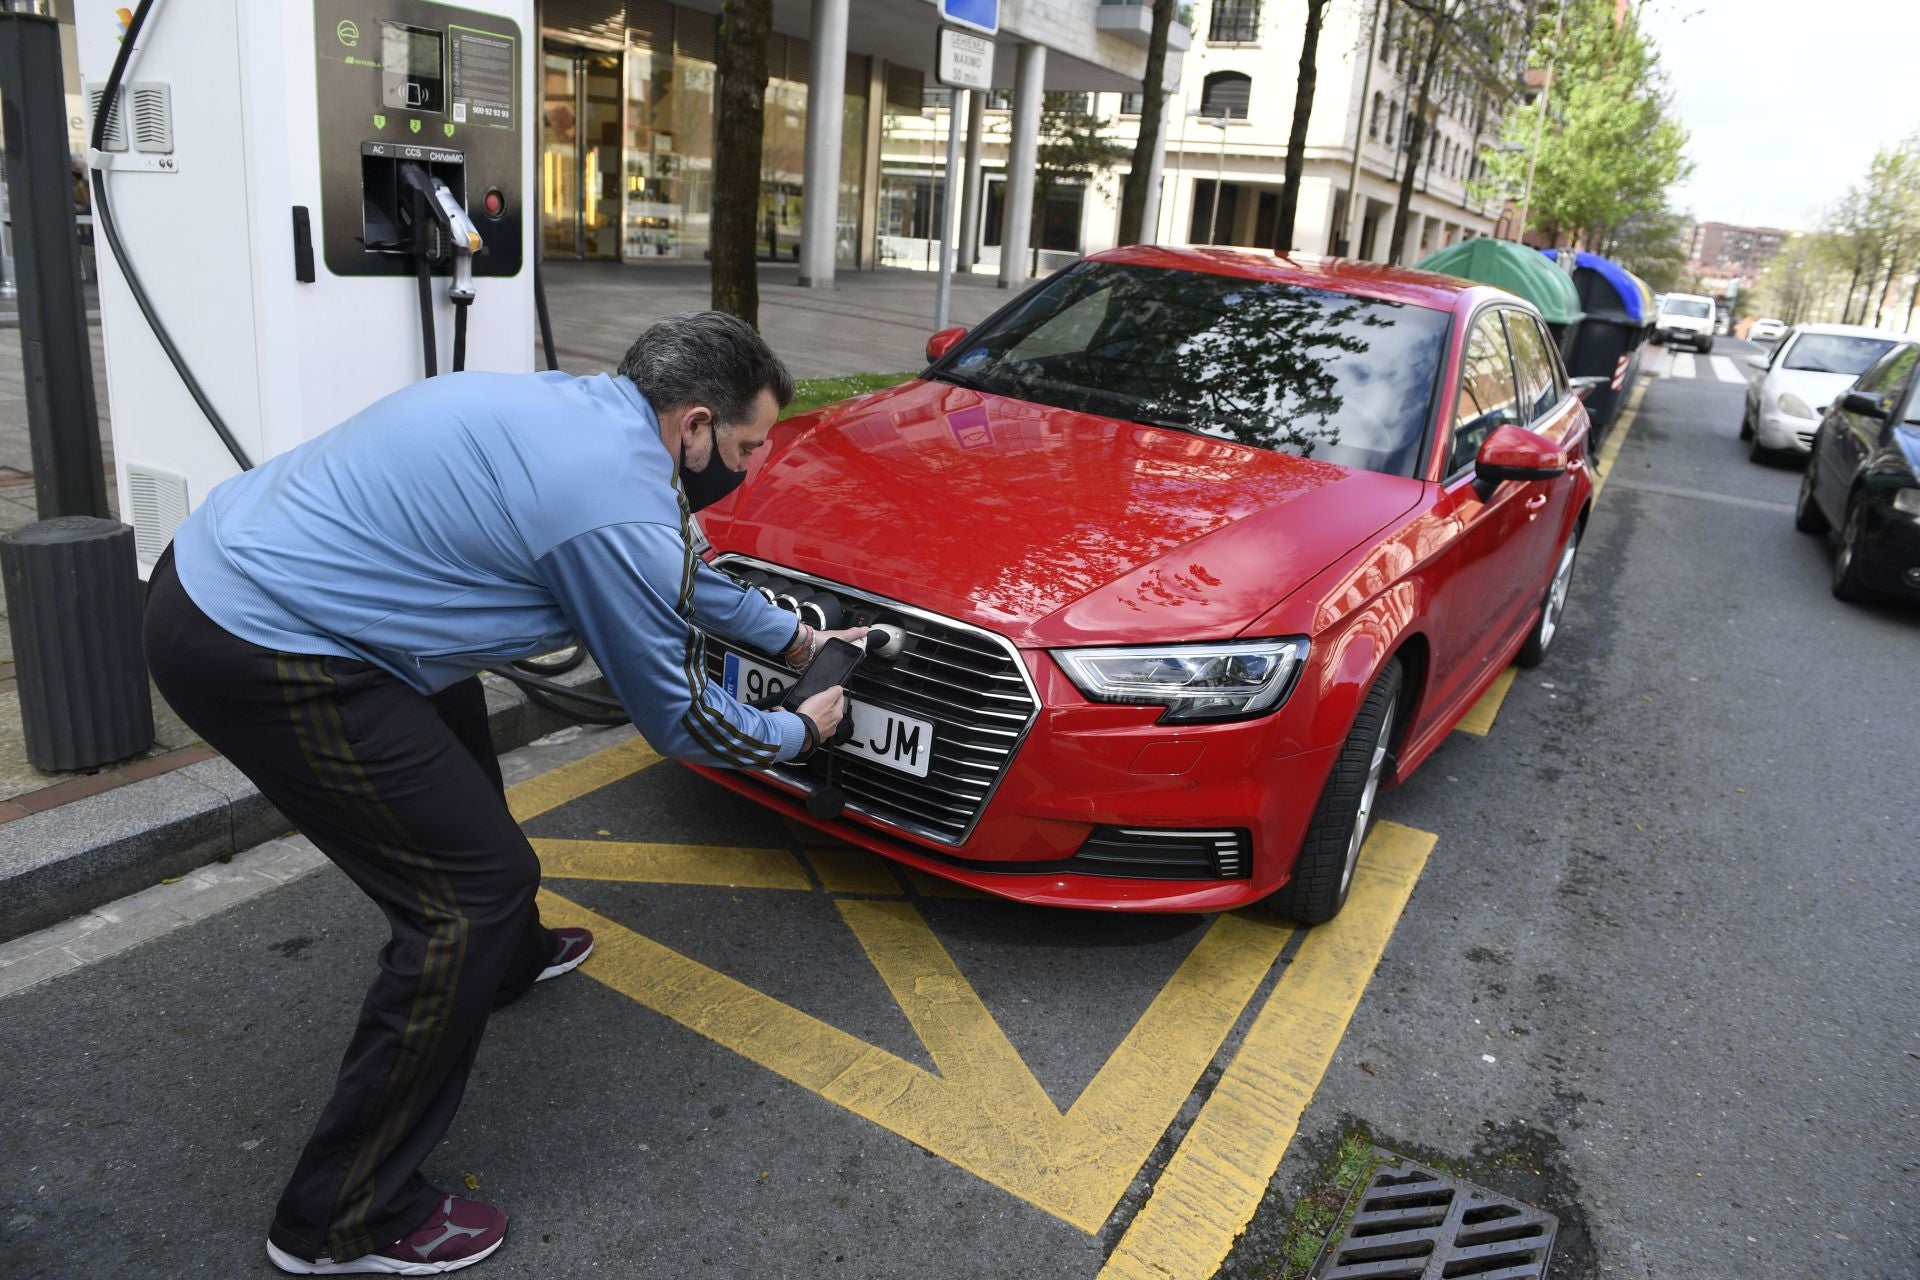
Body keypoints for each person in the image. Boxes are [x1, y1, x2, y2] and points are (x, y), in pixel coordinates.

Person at [143, 311, 861, 1275]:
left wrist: (790, 640)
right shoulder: (607, 500)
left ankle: (510, 957)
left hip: (280, 587)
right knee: (464, 897)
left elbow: (673, 573)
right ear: (692, 426)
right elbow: (680, 719)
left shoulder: (593, 417)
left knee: (461, 760)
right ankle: (344, 1215)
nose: (755, 463)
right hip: (263, 643)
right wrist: (797, 730)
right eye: (745, 444)